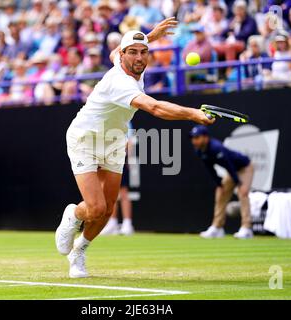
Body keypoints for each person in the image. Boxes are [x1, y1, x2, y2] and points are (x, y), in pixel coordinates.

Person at [55, 17, 214, 278]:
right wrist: (193, 114)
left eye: (144, 53)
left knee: (108, 208)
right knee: (94, 209)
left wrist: (150, 35)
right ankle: (73, 214)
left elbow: (118, 50)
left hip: (115, 139)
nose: (139, 58)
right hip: (85, 139)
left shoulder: (123, 57)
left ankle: (79, 251)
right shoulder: (119, 81)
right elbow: (154, 107)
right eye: (133, 53)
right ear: (124, 55)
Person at [189, 125, 254, 239]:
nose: (194, 140)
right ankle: (217, 228)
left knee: (242, 192)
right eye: (193, 138)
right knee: (220, 193)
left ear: (205, 137)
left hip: (244, 167)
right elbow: (210, 169)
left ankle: (246, 228)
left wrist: (240, 184)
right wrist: (219, 184)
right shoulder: (199, 151)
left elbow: (230, 166)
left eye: (197, 137)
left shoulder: (216, 147)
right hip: (232, 171)